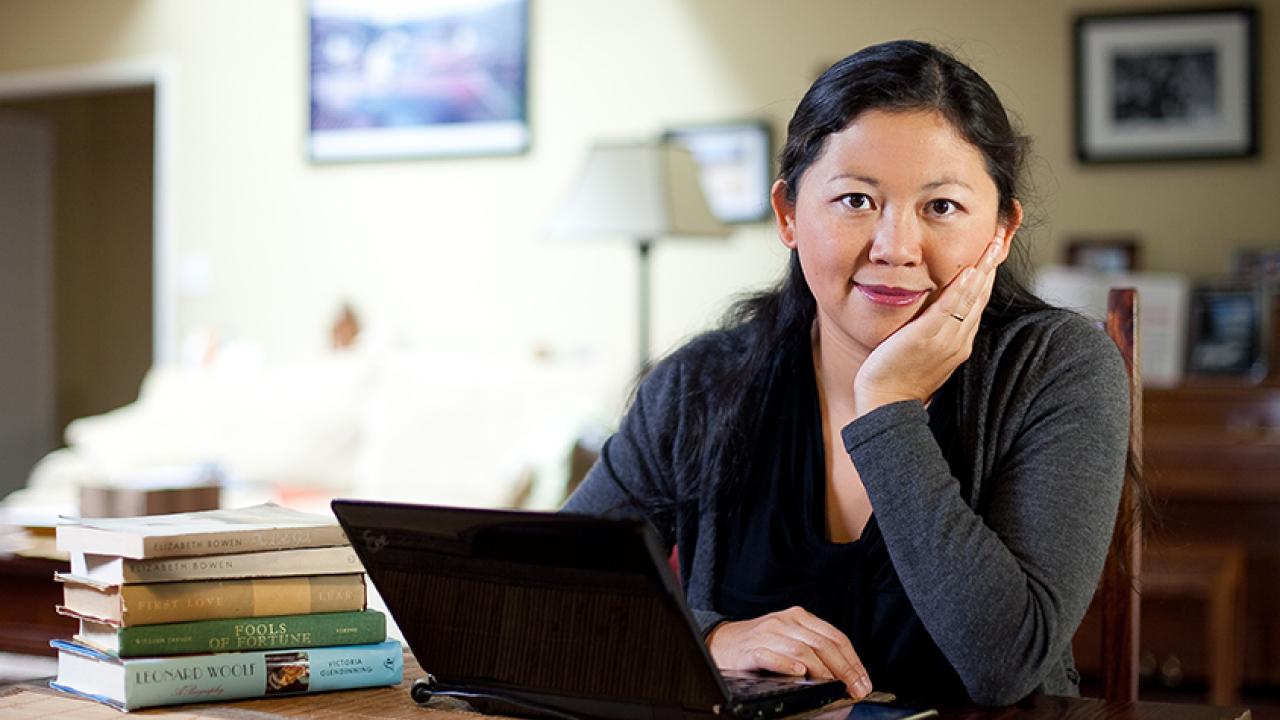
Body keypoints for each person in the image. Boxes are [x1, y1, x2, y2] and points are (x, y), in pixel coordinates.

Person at [563, 40, 1129, 706]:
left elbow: (1003, 666)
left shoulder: (1056, 368)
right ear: (788, 215)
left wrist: (888, 406)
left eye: (940, 207)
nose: (895, 248)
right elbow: (543, 597)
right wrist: (708, 637)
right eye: (856, 200)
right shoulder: (699, 383)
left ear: (1001, 232)